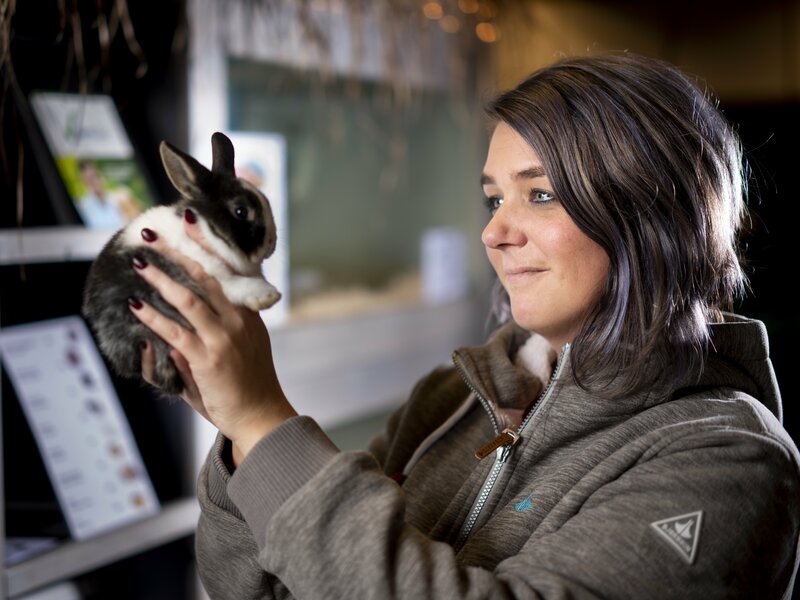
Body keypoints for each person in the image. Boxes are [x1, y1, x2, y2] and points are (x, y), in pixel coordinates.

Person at [128, 52, 800, 598]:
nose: (494, 232)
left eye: (541, 194)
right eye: (492, 198)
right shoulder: (451, 398)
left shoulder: (725, 459)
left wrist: (262, 422)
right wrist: (237, 430)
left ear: (655, 215)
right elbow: (251, 587)